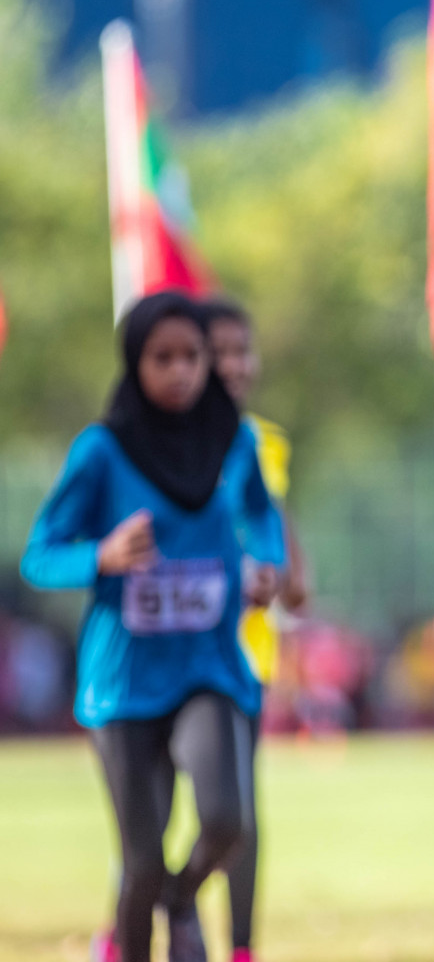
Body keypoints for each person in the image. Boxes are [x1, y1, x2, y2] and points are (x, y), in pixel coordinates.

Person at [21, 292, 286, 962]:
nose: (179, 372)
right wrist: (101, 555)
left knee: (227, 822)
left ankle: (182, 894)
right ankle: (150, 917)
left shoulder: (236, 440)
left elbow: (263, 513)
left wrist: (266, 566)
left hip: (207, 668)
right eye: (160, 358)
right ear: (134, 363)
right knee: (140, 860)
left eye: (191, 357)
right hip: (125, 682)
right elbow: (39, 554)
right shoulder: (102, 452)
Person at [206, 297, 308, 962]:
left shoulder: (260, 441)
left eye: (244, 351)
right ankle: (139, 923)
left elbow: (271, 519)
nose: (236, 366)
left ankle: (240, 948)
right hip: (160, 653)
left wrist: (285, 571)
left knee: (236, 812)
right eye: (219, 353)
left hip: (242, 654)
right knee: (150, 814)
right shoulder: (134, 446)